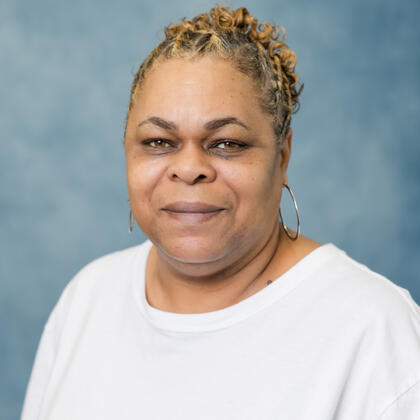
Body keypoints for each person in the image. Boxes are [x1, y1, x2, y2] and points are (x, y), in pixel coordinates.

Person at [21, 5, 420, 420]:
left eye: (227, 143)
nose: (189, 168)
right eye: (159, 142)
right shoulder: (87, 299)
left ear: (282, 157)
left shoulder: (375, 332)